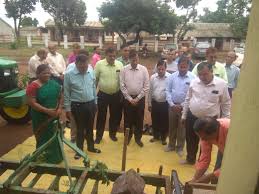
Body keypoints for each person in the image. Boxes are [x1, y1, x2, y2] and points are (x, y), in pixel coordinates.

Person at [181, 62, 231, 165]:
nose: (202, 77)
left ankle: (202, 162)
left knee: (206, 142)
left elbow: (225, 103)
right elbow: (188, 99)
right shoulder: (194, 82)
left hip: (210, 121)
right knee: (190, 138)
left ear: (212, 72)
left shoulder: (221, 84)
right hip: (193, 116)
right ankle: (190, 158)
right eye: (200, 74)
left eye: (205, 74)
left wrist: (226, 120)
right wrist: (184, 115)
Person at [64, 54, 101, 160]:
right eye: (81, 67)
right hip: (77, 105)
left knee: (90, 128)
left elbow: (93, 87)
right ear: (76, 64)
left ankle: (91, 147)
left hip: (90, 104)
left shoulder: (90, 70)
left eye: (85, 66)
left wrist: (95, 102)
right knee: (80, 129)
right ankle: (79, 151)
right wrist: (67, 109)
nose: (84, 69)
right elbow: (66, 93)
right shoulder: (69, 75)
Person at [26, 64, 63, 164]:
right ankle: (43, 158)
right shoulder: (33, 86)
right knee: (43, 136)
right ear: (38, 74)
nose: (47, 75)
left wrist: (59, 109)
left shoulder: (54, 84)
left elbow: (60, 96)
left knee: (55, 135)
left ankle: (56, 157)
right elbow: (32, 103)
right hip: (41, 117)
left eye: (48, 72)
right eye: (44, 73)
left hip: (54, 116)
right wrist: (47, 111)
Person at [165, 55, 196, 156]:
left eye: (185, 67)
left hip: (185, 108)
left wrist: (182, 105)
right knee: (172, 126)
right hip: (172, 106)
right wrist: (172, 104)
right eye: (181, 67)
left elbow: (192, 94)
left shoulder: (193, 78)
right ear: (177, 66)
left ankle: (180, 147)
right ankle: (171, 145)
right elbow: (168, 91)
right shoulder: (172, 77)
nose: (183, 69)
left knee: (182, 128)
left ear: (188, 67)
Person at [120, 49, 149, 147]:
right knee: (127, 120)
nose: (135, 62)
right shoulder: (124, 69)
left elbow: (146, 86)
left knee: (139, 119)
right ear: (129, 59)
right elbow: (122, 86)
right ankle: (127, 138)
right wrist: (129, 99)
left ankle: (138, 138)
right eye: (133, 60)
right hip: (128, 100)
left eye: (137, 59)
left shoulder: (143, 69)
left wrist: (137, 99)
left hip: (140, 100)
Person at [94, 47, 123, 143]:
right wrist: (94, 94)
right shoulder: (99, 64)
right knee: (101, 116)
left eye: (114, 56)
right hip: (103, 94)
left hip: (116, 94)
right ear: (106, 55)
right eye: (110, 56)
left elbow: (122, 80)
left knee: (114, 116)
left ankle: (112, 134)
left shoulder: (120, 64)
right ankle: (98, 136)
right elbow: (95, 80)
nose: (112, 58)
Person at [189, 117, 230, 183]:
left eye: (204, 138)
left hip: (237, 151)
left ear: (214, 133)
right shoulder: (205, 134)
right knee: (215, 178)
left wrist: (210, 177)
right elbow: (204, 158)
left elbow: (232, 164)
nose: (202, 140)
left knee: (219, 178)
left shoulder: (230, 132)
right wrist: (195, 179)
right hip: (223, 145)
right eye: (200, 137)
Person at [65, 49, 91, 143]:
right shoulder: (70, 68)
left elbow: (92, 83)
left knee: (86, 122)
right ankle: (74, 138)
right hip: (75, 101)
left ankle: (85, 137)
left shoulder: (90, 68)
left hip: (87, 102)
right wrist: (68, 108)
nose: (84, 65)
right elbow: (67, 90)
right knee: (75, 122)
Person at [148, 60, 170, 145]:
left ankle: (163, 138)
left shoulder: (170, 77)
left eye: (162, 69)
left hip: (165, 104)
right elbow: (150, 91)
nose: (160, 71)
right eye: (159, 69)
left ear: (165, 69)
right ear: (156, 69)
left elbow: (170, 92)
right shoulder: (153, 77)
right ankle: (155, 136)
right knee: (155, 120)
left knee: (164, 121)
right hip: (155, 103)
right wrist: (149, 104)